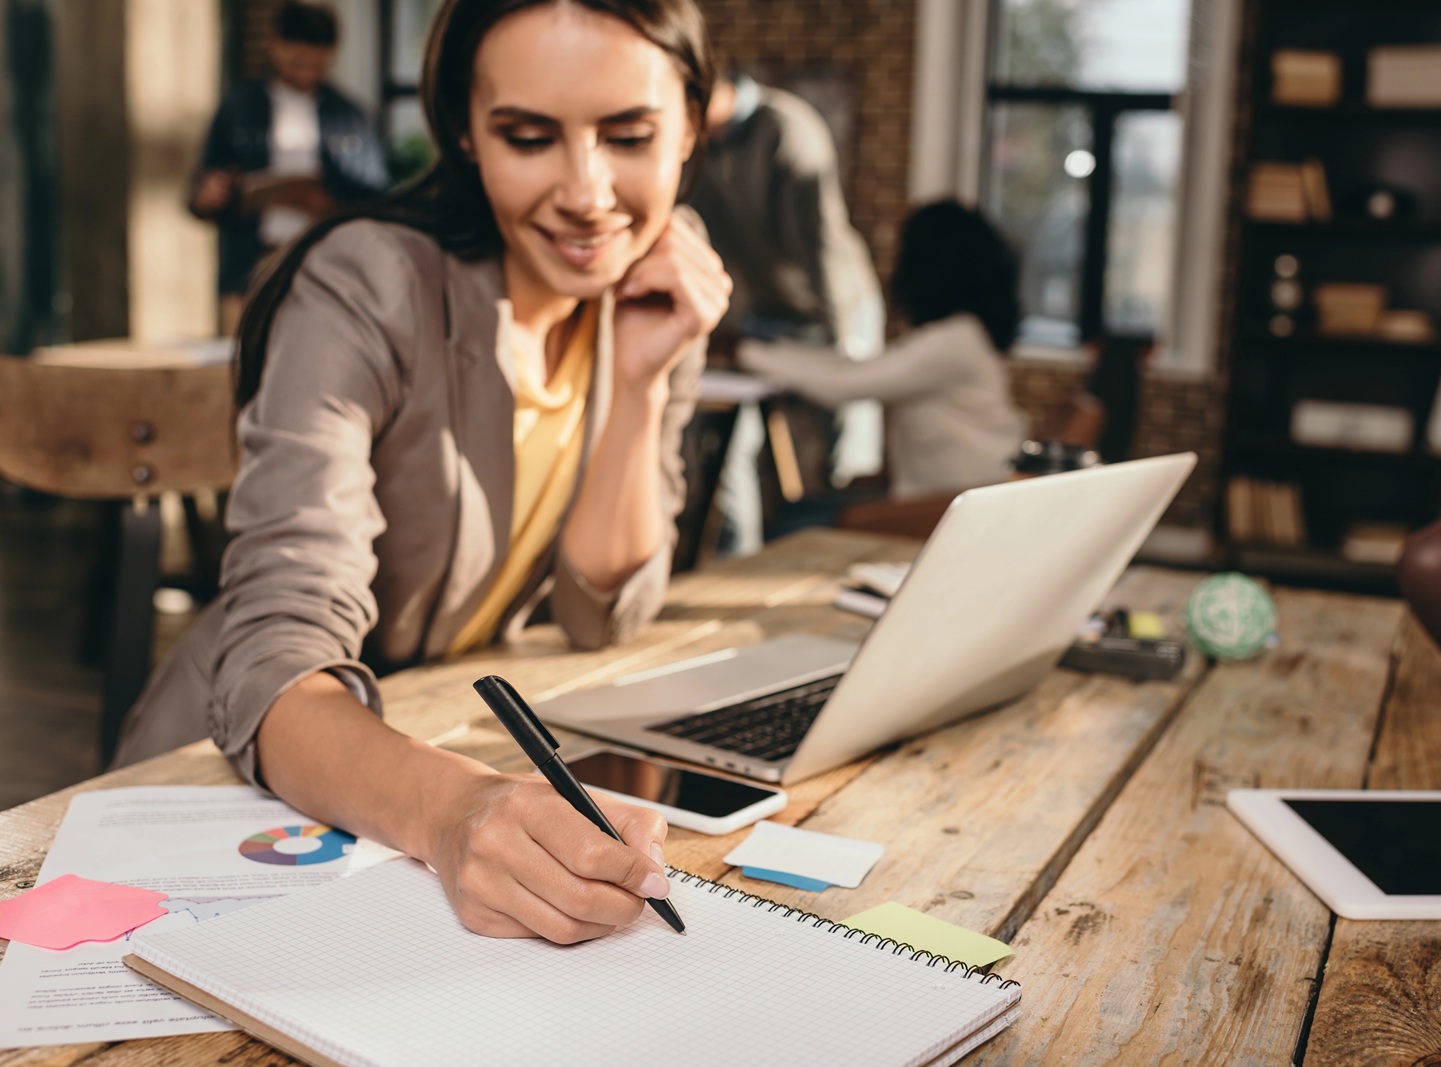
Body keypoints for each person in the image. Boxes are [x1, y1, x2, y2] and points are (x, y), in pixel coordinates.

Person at [117, 0, 730, 946]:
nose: (588, 192)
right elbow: (279, 656)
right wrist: (456, 811)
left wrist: (642, 380)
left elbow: (599, 611)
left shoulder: (656, 285)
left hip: (413, 793)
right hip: (230, 798)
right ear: (465, 134)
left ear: (693, 122)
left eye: (630, 134)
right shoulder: (367, 283)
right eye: (529, 136)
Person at [687, 70, 885, 551]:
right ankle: (740, 558)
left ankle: (830, 555)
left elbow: (821, 247)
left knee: (836, 450)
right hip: (765, 312)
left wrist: (841, 351)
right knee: (729, 441)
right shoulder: (698, 145)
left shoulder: (787, 129)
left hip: (832, 308)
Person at [739, 199, 1027, 499]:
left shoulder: (956, 340)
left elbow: (843, 384)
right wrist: (762, 350)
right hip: (943, 500)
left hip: (947, 509)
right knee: (802, 509)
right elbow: (849, 368)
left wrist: (744, 353)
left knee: (792, 520)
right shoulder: (959, 335)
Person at [188, 2, 388, 334]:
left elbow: (376, 199)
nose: (307, 67)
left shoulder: (349, 116)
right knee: (242, 367)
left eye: (317, 59)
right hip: (250, 266)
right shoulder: (240, 107)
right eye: (298, 57)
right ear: (274, 45)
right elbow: (201, 190)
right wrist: (212, 193)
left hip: (326, 268)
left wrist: (329, 204)